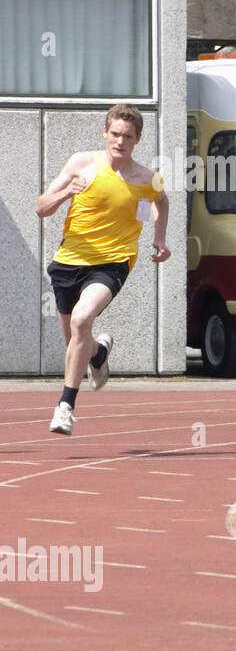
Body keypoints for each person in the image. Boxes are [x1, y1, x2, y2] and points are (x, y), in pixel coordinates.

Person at [36, 104, 170, 435]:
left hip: (114, 262)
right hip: (69, 261)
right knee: (75, 341)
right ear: (105, 133)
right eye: (115, 134)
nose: (120, 142)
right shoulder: (82, 163)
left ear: (138, 138)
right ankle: (98, 354)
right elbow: (41, 208)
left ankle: (65, 407)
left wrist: (160, 239)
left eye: (127, 136)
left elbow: (161, 202)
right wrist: (68, 191)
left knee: (83, 319)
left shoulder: (146, 179)